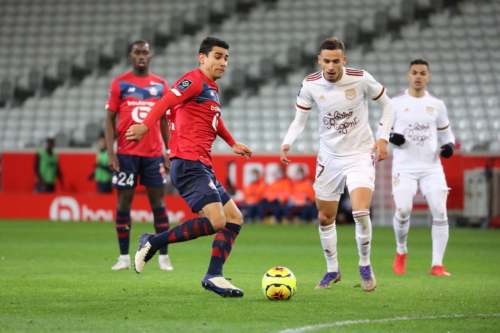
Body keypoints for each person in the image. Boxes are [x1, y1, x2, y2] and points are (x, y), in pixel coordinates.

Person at [125, 37, 253, 298]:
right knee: (217, 221)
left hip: (202, 165)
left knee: (234, 218)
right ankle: (153, 242)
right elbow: (164, 103)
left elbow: (214, 120)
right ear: (202, 58)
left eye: (226, 58)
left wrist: (232, 143)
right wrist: (145, 126)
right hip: (188, 163)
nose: (223, 62)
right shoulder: (192, 80)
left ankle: (214, 275)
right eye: (218, 56)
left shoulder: (211, 88)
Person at [280, 37, 394, 292]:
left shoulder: (361, 78)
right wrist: (287, 142)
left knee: (360, 212)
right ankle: (333, 269)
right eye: (326, 61)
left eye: (335, 61)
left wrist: (383, 138)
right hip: (329, 157)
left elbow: (388, 105)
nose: (331, 66)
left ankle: (364, 264)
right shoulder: (310, 84)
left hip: (360, 154)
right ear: (319, 60)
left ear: (344, 60)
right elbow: (299, 120)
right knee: (324, 217)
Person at [377, 59, 455, 277]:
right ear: (408, 75)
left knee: (440, 211)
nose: (418, 76)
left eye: (422, 73)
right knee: (403, 210)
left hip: (431, 167)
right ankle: (401, 251)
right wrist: (392, 137)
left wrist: (449, 146)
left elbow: (447, 134)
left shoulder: (437, 104)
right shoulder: (395, 103)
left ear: (428, 77)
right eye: (415, 72)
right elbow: (380, 133)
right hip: (405, 167)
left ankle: (437, 265)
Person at [105, 40, 173, 271]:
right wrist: (110, 152)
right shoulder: (120, 84)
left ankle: (164, 256)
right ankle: (123, 257)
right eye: (137, 52)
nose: (141, 55)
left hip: (153, 155)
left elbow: (164, 121)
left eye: (145, 52)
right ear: (130, 56)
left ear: (151, 56)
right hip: (125, 155)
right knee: (123, 204)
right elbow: (109, 119)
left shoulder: (161, 85)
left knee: (158, 205)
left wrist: (169, 150)